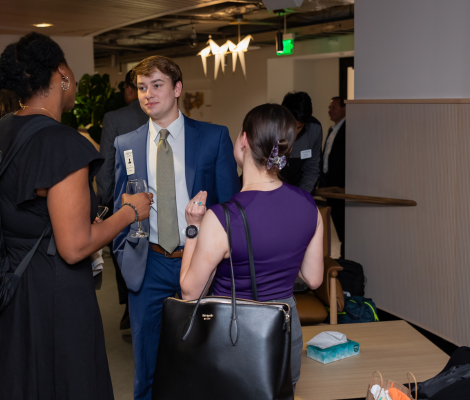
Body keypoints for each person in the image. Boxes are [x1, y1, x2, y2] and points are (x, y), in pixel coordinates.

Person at [0, 32, 152, 400]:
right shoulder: (63, 143)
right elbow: (74, 247)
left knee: (20, 382)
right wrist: (129, 211)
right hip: (53, 291)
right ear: (62, 75)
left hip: (5, 286)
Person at [113, 55, 241, 400]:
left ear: (177, 88)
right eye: (142, 87)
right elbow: (119, 207)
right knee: (146, 364)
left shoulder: (213, 138)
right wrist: (125, 255)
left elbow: (231, 206)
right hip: (149, 263)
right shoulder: (127, 144)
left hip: (200, 260)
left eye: (157, 85)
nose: (148, 94)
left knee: (204, 357)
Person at [179, 103, 324, 391]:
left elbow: (190, 292)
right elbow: (314, 278)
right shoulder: (309, 205)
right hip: (284, 329)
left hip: (235, 334)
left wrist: (192, 229)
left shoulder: (222, 218)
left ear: (243, 140)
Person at [96, 69, 148, 329]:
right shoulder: (164, 114)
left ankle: (131, 307)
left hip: (125, 201)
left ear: (129, 89)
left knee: (126, 252)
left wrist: (105, 203)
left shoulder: (114, 118)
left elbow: (105, 166)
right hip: (156, 201)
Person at [280, 91, 322, 193]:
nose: (293, 132)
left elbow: (312, 170)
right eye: (290, 125)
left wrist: (303, 197)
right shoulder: (270, 127)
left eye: (298, 127)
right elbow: (267, 170)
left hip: (297, 189)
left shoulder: (314, 129)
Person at [321, 96, 346, 257]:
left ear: (345, 108)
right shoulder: (332, 129)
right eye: (330, 108)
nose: (330, 111)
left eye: (334, 107)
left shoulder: (348, 129)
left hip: (341, 187)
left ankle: (345, 259)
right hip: (329, 185)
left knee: (344, 228)